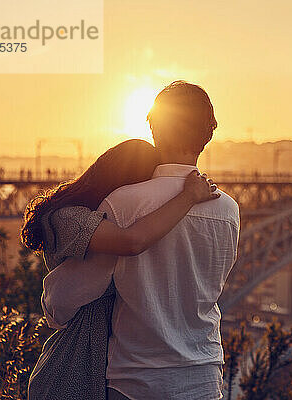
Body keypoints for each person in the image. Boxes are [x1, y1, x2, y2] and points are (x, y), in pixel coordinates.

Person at [41, 81, 240, 399]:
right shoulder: (229, 210)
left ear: (155, 130)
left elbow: (79, 288)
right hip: (204, 375)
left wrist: (54, 307)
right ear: (209, 133)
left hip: (137, 379)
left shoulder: (123, 203)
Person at [23, 138, 220, 400]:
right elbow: (132, 242)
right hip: (79, 356)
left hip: (115, 355)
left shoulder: (104, 218)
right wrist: (188, 197)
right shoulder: (69, 217)